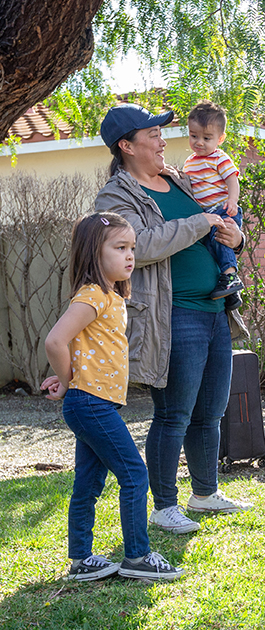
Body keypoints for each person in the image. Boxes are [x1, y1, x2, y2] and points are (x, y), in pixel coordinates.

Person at [95, 103, 252, 535]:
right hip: (171, 314)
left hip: (216, 308)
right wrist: (199, 223)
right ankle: (164, 505)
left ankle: (204, 492)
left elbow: (217, 220)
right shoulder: (116, 196)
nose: (164, 141)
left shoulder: (178, 179)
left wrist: (235, 239)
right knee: (174, 414)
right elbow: (137, 246)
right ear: (127, 146)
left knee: (211, 410)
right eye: (153, 135)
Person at [42, 213, 184, 582]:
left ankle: (81, 559)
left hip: (90, 401)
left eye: (132, 248)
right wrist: (68, 379)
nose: (129, 256)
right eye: (119, 248)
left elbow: (79, 347)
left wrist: (67, 379)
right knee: (135, 475)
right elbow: (55, 341)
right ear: (94, 252)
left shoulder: (109, 296)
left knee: (88, 483)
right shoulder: (93, 295)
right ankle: (137, 556)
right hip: (90, 402)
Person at [183, 100, 244, 311]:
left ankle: (230, 276)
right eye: (194, 136)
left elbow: (232, 180)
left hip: (222, 208)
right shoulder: (190, 162)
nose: (199, 142)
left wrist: (232, 201)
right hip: (205, 215)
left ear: (220, 139)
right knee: (211, 248)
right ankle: (231, 294)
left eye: (206, 138)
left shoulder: (219, 158)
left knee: (221, 240)